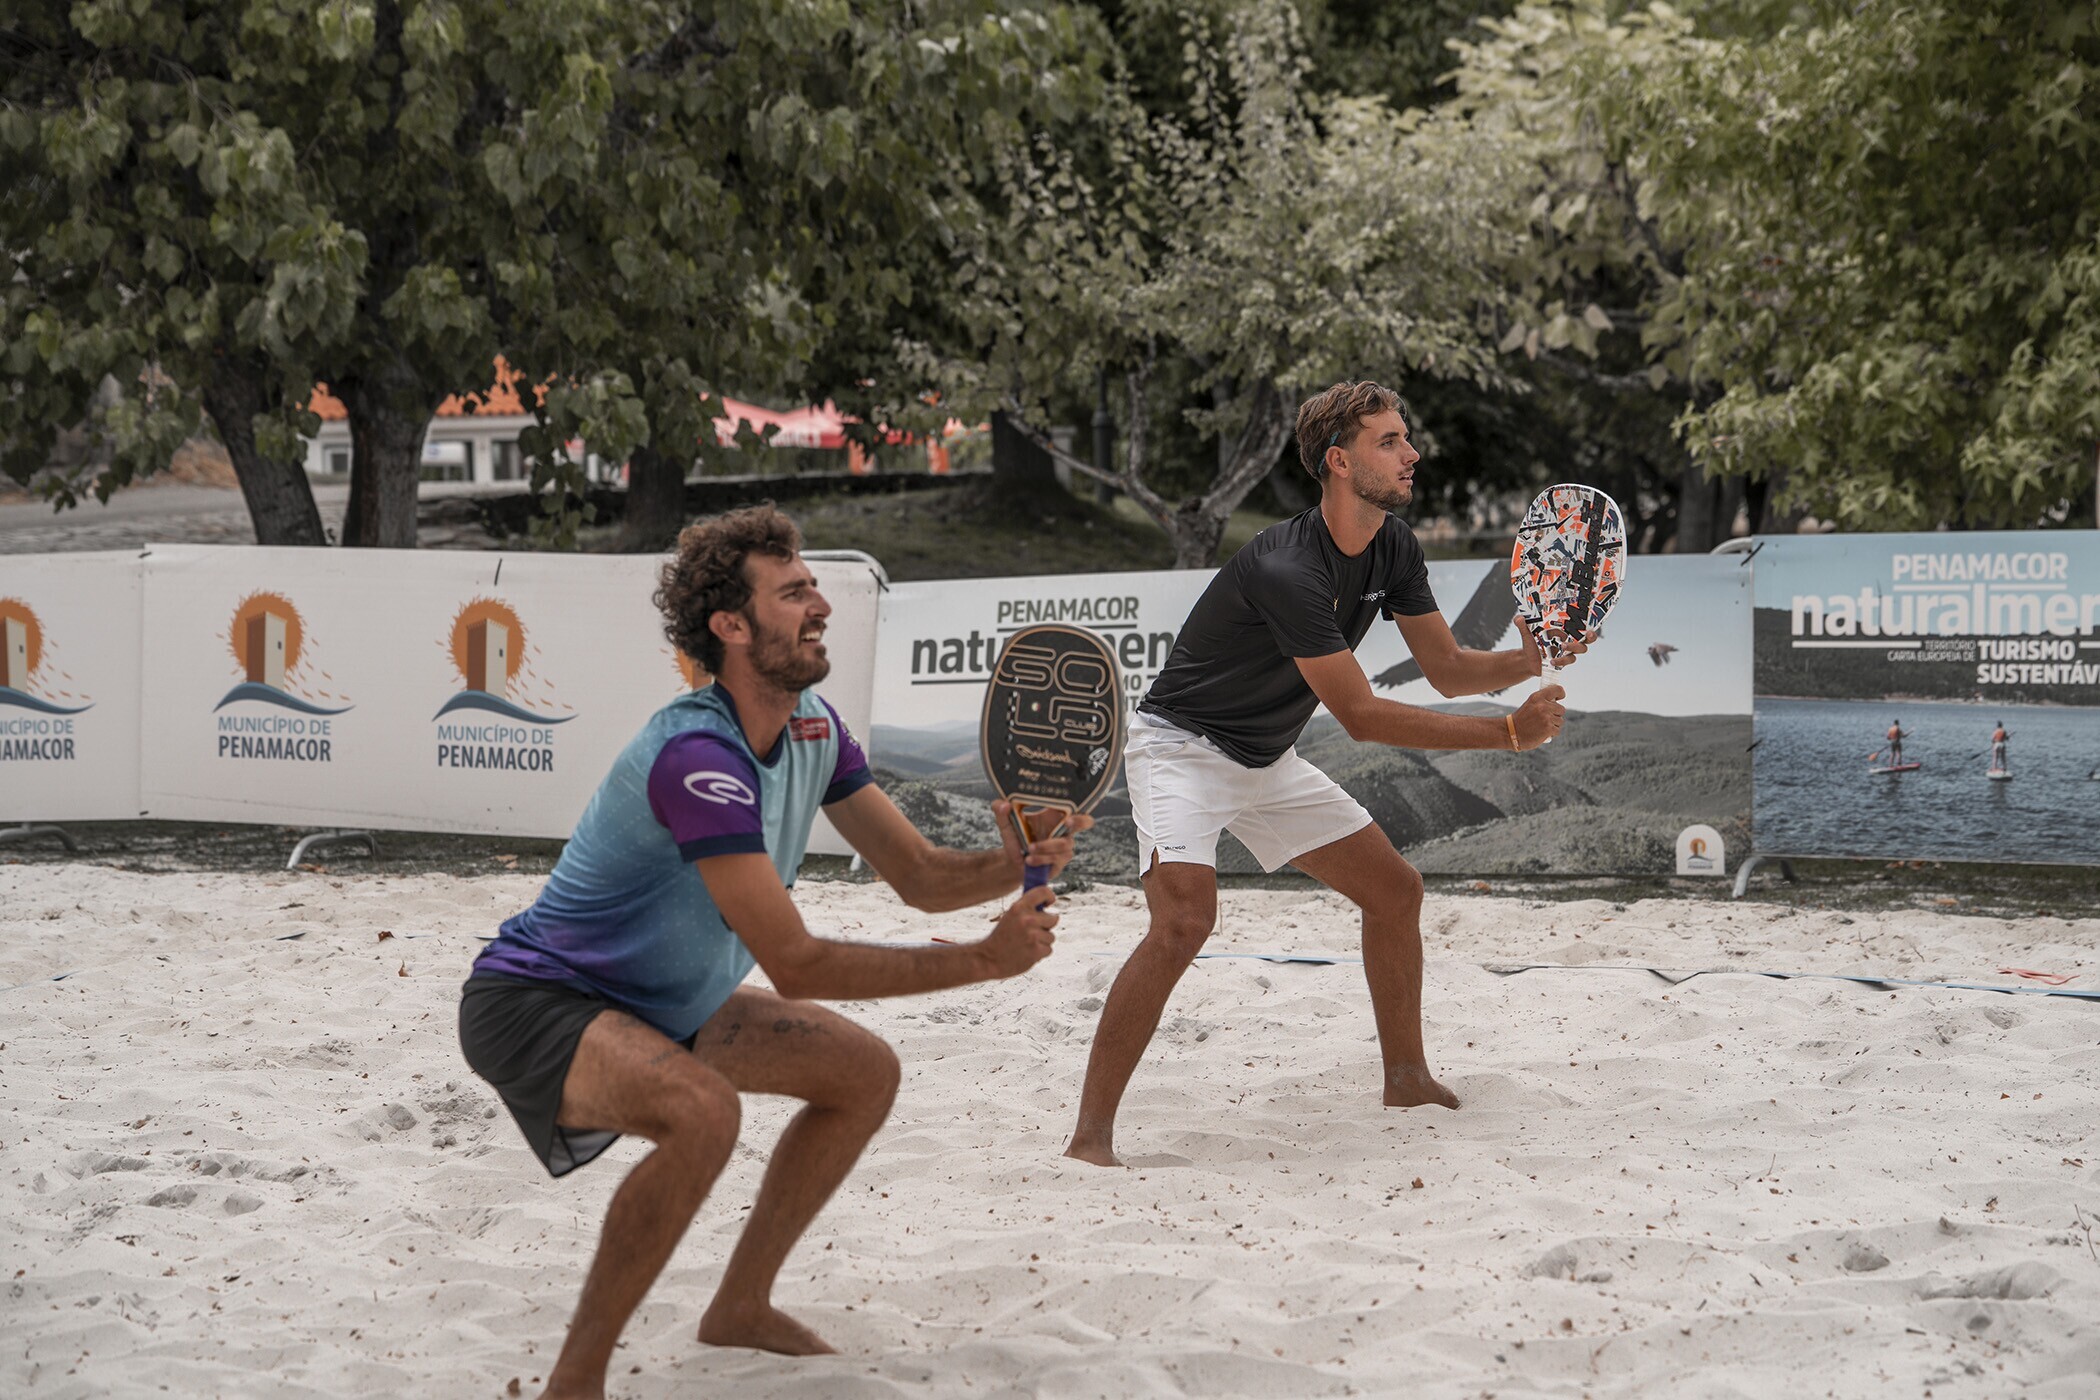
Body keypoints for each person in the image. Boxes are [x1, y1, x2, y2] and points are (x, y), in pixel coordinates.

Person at [459, 504, 1086, 1399]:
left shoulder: (813, 728)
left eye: (814, 586)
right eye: (793, 592)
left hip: (660, 1004)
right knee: (703, 1113)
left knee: (861, 1074)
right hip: (535, 1002)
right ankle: (576, 1383)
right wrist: (984, 959)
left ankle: (740, 1307)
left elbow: (919, 875)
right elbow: (797, 962)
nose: (819, 604)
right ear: (732, 627)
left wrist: (1016, 862)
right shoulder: (694, 756)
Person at [1064, 380, 1584, 1169]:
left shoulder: (1395, 546)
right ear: (1339, 463)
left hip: (1266, 758)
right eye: (1389, 442)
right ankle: (1089, 1139)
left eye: (1406, 439)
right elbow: (1363, 716)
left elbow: (1443, 669)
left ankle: (1406, 1078)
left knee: (1395, 890)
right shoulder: (1285, 567)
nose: (1411, 455)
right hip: (1183, 751)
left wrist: (1527, 657)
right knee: (1183, 924)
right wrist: (1508, 734)